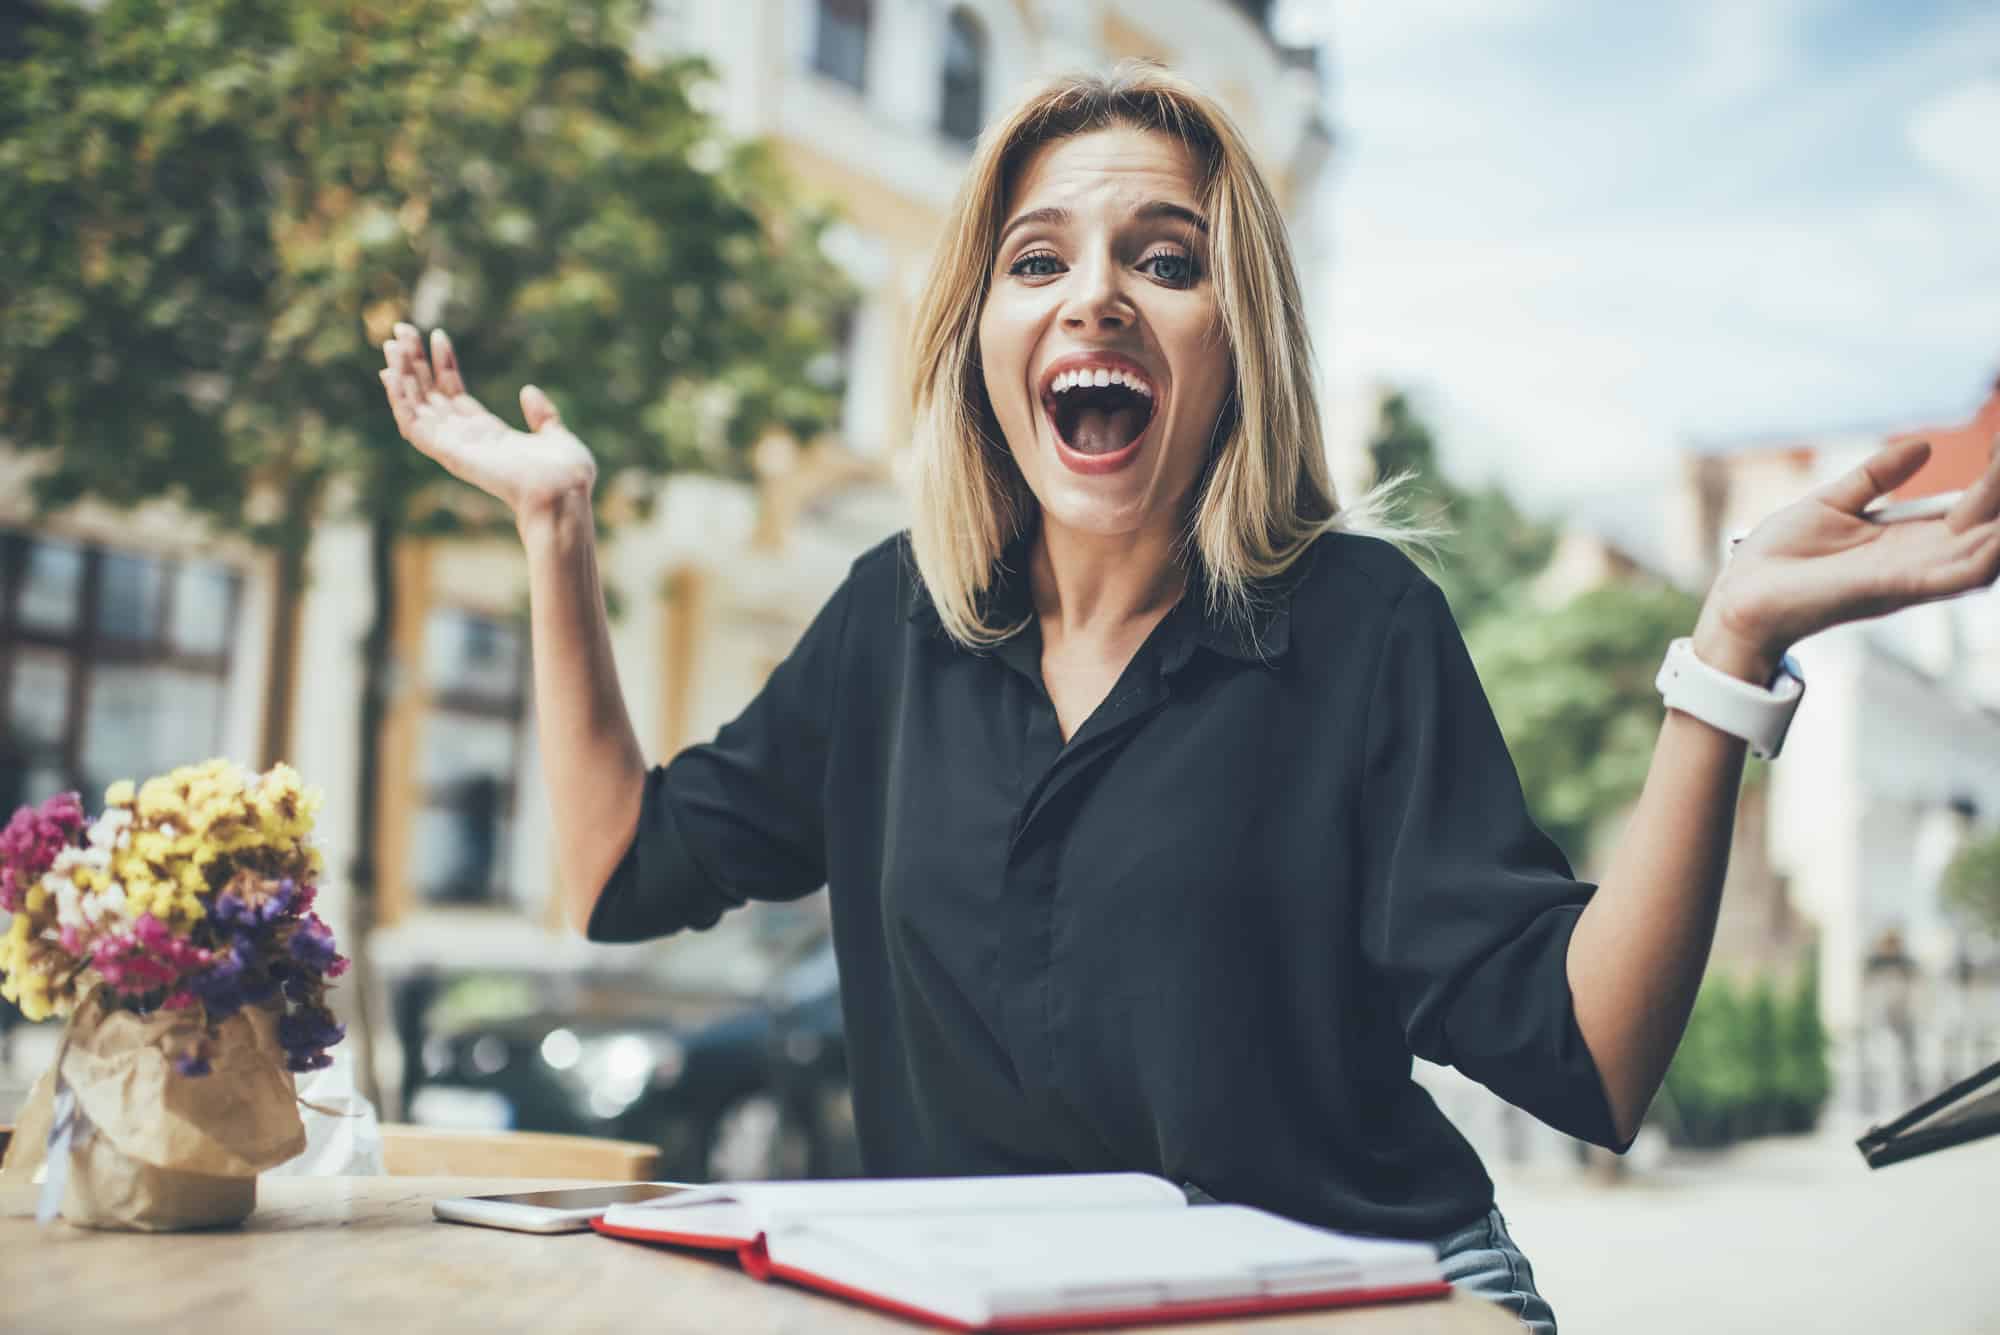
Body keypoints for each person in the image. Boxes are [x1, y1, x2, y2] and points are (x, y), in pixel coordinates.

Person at [379, 64, 2000, 1334]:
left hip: (1370, 1303)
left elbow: (1590, 1056)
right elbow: (612, 873)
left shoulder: (1361, 626)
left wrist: (1726, 657)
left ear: (1239, 349)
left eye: (1168, 260)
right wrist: (555, 526)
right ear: (978, 341)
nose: (1096, 298)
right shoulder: (895, 620)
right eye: (1040, 260)